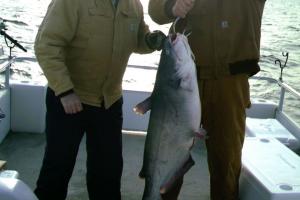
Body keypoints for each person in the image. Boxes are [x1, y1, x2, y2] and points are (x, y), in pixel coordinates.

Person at [33, 0, 166, 199]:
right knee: (56, 170)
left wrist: (150, 41)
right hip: (69, 100)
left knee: (108, 174)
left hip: (109, 102)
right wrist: (65, 91)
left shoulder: (133, 5)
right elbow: (47, 45)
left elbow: (138, 38)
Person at [148, 0, 266, 199]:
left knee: (226, 161)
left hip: (229, 83)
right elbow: (155, 9)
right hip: (182, 77)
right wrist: (171, 6)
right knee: (170, 155)